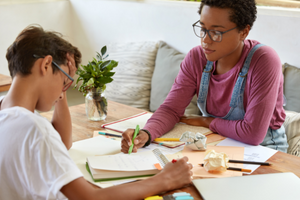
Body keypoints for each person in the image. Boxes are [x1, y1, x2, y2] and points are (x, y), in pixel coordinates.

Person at [0, 25, 193, 200]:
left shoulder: (9, 113)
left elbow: (62, 142)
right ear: (45, 65)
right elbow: (91, 198)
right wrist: (165, 180)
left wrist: (63, 81)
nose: (63, 91)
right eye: (65, 80)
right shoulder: (35, 128)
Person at [121, 0, 288, 154]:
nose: (205, 40)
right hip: (217, 144)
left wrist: (208, 122)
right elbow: (171, 109)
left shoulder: (264, 60)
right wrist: (146, 133)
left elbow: (253, 134)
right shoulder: (196, 58)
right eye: (203, 29)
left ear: (243, 32)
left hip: (265, 151)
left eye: (216, 32)